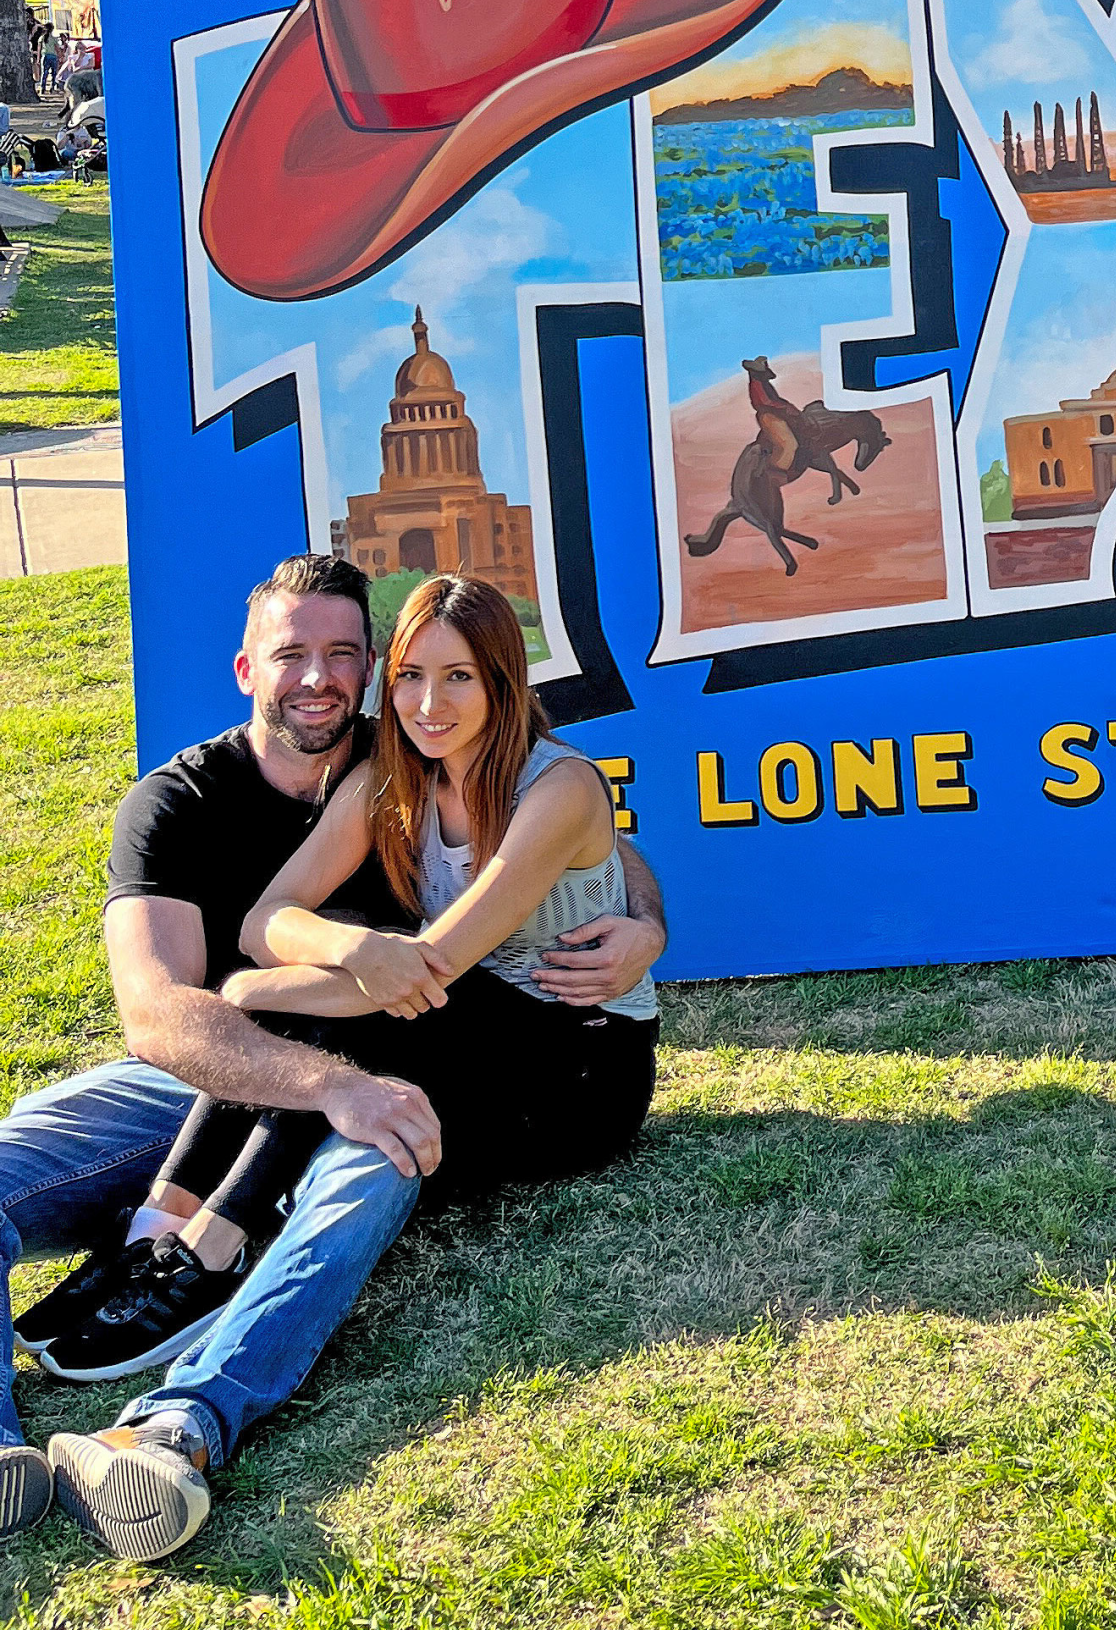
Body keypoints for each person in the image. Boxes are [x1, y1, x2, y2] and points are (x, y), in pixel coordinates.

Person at [0, 557, 663, 1563]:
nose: (320, 679)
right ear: (244, 667)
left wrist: (646, 922)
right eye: (292, 655)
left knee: (388, 1133)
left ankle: (181, 1422)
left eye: (343, 656)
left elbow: (578, 845)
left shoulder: (410, 753)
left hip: (445, 1061)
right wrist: (320, 1010)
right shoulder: (181, 801)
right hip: (236, 1072)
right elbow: (160, 1016)